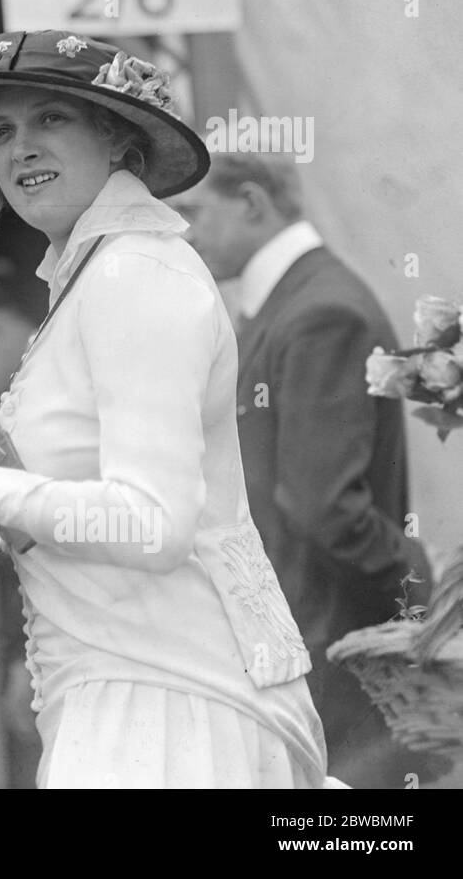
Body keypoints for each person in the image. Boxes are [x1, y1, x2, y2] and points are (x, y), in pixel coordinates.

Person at [0, 30, 332, 788]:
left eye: (50, 119)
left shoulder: (134, 272)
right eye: (0, 132)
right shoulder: (98, 273)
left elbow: (152, 523)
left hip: (169, 702)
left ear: (117, 138)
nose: (20, 148)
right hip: (122, 688)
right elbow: (57, 458)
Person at [172, 153, 435, 788]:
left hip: (332, 647)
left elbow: (324, 507)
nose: (184, 232)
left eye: (193, 212)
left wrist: (418, 588)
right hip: (301, 645)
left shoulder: (321, 312)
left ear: (254, 204)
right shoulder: (292, 304)